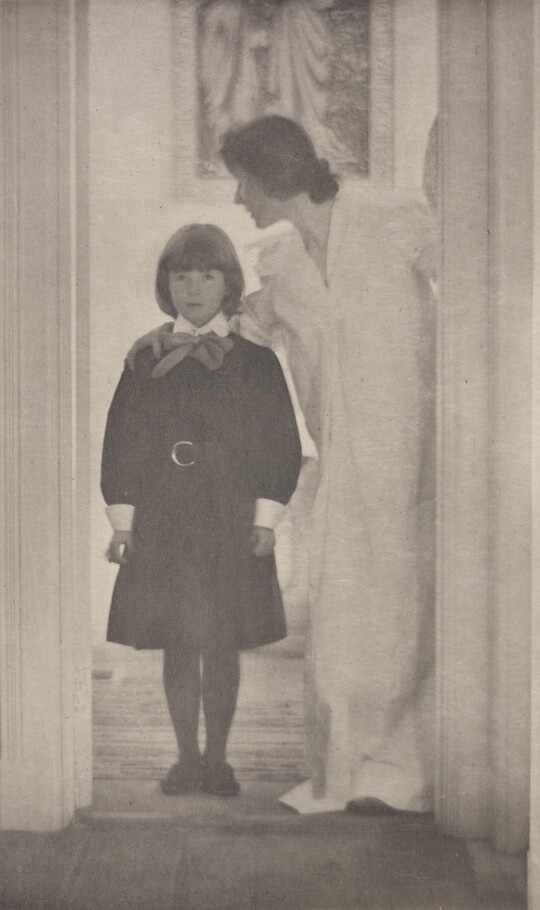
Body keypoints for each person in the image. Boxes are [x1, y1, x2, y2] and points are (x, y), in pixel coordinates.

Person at [126, 116, 436, 815]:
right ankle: (349, 773)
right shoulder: (285, 266)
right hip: (347, 470)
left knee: (417, 616)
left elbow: (479, 288)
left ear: (271, 173)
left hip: (422, 457)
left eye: (242, 179)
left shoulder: (390, 217)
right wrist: (166, 344)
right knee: (346, 617)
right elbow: (234, 327)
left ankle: (416, 768)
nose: (239, 197)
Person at [102, 223, 302, 797]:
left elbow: (280, 444)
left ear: (228, 283)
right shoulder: (144, 360)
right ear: (167, 285)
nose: (193, 288)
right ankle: (185, 758)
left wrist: (265, 520)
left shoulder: (256, 363)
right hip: (165, 521)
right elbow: (120, 444)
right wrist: (124, 524)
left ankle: (218, 759)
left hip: (229, 521)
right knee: (177, 640)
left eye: (207, 275)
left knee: (220, 641)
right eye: (181, 276)